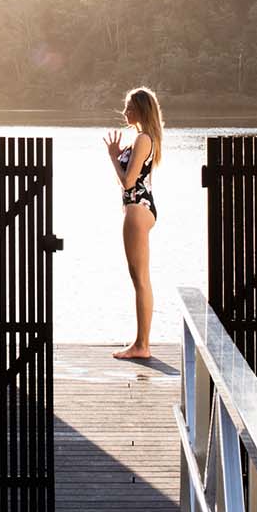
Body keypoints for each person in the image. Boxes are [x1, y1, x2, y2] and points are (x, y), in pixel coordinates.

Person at [104, 86, 163, 360]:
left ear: (140, 109)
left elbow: (128, 182)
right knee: (140, 278)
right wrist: (118, 158)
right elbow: (129, 182)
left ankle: (142, 345)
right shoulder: (143, 139)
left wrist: (114, 158)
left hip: (138, 209)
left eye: (129, 107)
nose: (125, 111)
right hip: (140, 207)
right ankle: (142, 342)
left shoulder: (142, 139)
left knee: (140, 279)